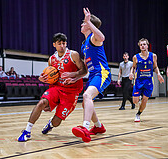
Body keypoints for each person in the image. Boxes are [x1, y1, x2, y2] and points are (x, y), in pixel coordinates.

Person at [18, 33, 87, 142]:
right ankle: (27, 131)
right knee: (41, 103)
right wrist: (42, 78)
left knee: (56, 122)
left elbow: (84, 71)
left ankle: (50, 124)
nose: (62, 46)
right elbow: (50, 76)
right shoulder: (51, 59)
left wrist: (72, 75)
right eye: (59, 44)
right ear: (54, 45)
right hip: (57, 88)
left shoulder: (73, 55)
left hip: (71, 92)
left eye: (64, 43)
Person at [69, 8, 111, 143]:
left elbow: (102, 37)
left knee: (87, 96)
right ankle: (98, 127)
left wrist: (89, 21)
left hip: (102, 73)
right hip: (93, 75)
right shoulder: (84, 45)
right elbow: (87, 69)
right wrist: (77, 76)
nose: (81, 25)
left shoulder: (94, 38)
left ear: (88, 25)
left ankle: (85, 128)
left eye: (83, 23)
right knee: (86, 103)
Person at [129, 38, 164, 122]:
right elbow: (133, 67)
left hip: (148, 81)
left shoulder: (153, 56)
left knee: (145, 100)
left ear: (147, 45)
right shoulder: (135, 57)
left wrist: (158, 74)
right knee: (135, 101)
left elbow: (155, 67)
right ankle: (139, 99)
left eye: (144, 44)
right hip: (138, 81)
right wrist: (131, 73)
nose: (142, 46)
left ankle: (138, 114)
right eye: (141, 45)